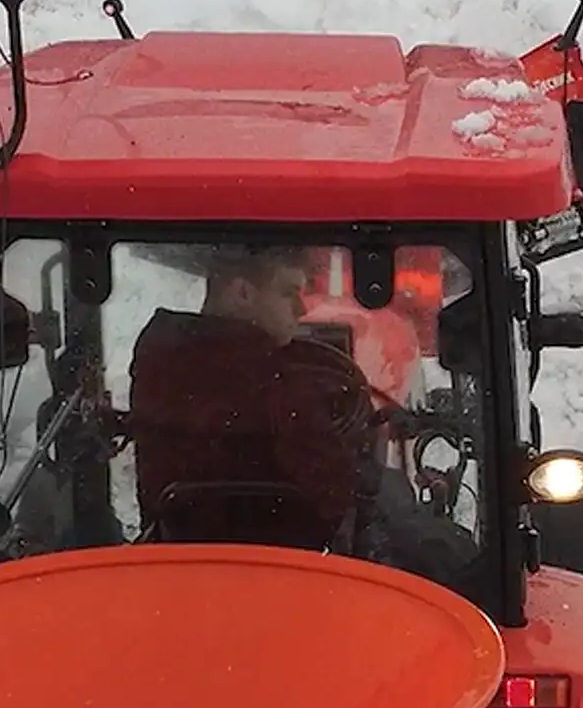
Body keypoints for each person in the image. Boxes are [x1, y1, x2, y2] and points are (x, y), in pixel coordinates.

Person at [124, 246, 482, 588]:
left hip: (180, 576)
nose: (300, 308)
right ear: (242, 293)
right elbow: (340, 496)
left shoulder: (164, 365)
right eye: (287, 292)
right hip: (302, 583)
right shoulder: (298, 384)